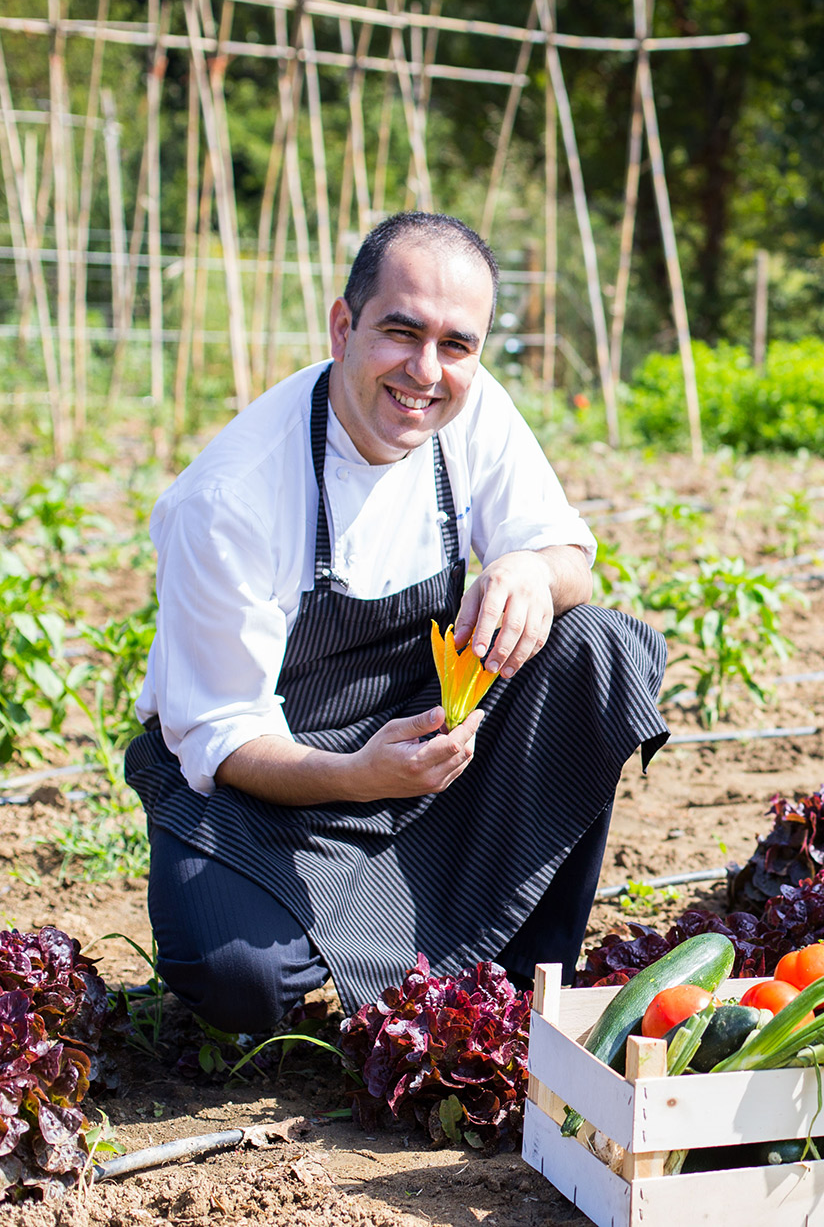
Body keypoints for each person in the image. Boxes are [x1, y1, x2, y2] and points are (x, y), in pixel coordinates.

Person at [126, 211, 667, 1032]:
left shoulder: (474, 411)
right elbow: (225, 739)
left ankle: (520, 976)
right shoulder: (230, 498)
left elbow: (570, 557)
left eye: (457, 345)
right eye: (400, 332)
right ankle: (412, 938)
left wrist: (527, 568)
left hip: (417, 739)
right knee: (235, 972)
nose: (426, 371)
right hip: (270, 786)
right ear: (343, 326)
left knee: (597, 647)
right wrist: (359, 777)